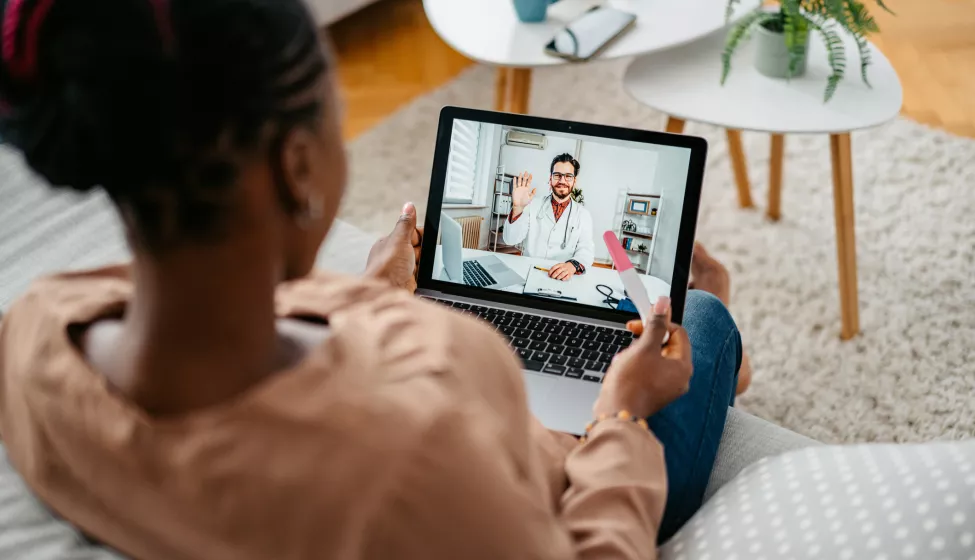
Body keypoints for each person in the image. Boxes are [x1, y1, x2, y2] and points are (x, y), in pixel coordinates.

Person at [0, 1, 743, 558]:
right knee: (701, 314)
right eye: (336, 115)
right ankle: (718, 359)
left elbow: (260, 324)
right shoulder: (414, 461)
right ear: (297, 167)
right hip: (560, 470)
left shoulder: (34, 328)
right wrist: (620, 411)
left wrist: (372, 289)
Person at [502, 153, 595, 281]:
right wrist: (518, 208)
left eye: (568, 176)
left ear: (574, 181)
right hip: (530, 271)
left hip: (563, 277)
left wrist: (572, 265)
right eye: (557, 175)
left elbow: (586, 250)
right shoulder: (532, 204)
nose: (562, 181)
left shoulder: (583, 214)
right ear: (550, 179)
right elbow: (510, 240)